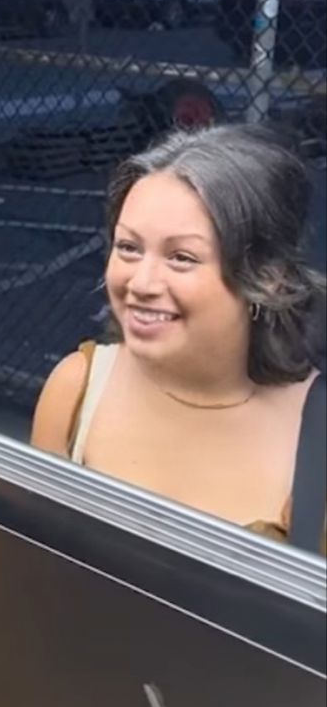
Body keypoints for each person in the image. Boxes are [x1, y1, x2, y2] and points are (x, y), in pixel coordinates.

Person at [32, 124, 326, 552]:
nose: (141, 282)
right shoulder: (76, 390)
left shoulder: (316, 431)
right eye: (129, 247)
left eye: (181, 257)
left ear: (269, 278)